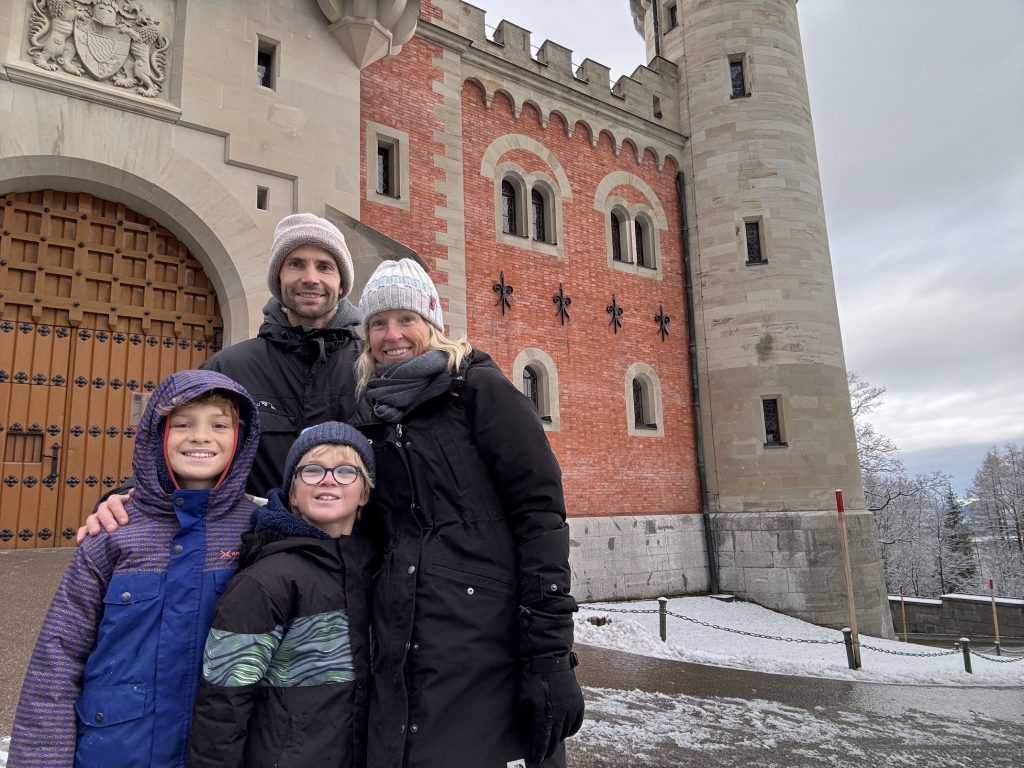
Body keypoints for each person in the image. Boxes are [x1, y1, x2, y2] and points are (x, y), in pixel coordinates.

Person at [351, 259, 585, 768]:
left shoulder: (477, 389)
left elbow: (540, 518)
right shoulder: (370, 412)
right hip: (402, 639)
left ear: (431, 323)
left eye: (405, 319)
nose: (392, 335)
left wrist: (550, 657)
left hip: (484, 647)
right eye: (378, 323)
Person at [8, 370, 260, 768]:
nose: (200, 436)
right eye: (182, 424)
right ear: (155, 435)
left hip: (219, 748)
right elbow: (59, 656)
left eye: (218, 425)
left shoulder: (257, 529)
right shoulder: (115, 531)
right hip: (120, 747)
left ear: (241, 439)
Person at [80, 212, 362, 530]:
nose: (310, 277)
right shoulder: (229, 368)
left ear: (341, 284)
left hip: (355, 557)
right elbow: (176, 450)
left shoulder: (371, 368)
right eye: (296, 264)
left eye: (324, 266)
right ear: (278, 278)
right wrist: (124, 496)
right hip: (252, 553)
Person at [189, 422, 376, 768]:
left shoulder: (374, 569)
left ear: (364, 493)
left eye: (347, 471)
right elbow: (224, 700)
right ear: (291, 492)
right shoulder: (266, 581)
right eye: (312, 470)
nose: (328, 479)